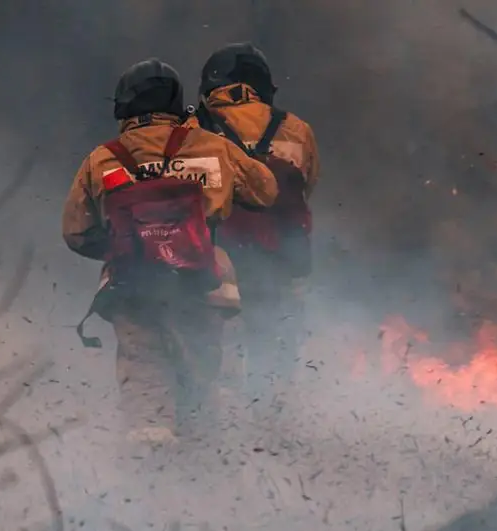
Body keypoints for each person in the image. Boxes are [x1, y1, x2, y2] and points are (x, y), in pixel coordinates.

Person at [61, 58, 278, 445]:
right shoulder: (213, 146)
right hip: (205, 282)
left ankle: (153, 465)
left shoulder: (101, 159)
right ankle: (213, 461)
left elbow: (75, 232)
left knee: (145, 377)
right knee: (207, 379)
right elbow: (265, 192)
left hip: (132, 286)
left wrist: (130, 245)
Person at [194, 43, 320, 407]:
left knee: (214, 352)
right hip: (277, 259)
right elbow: (306, 186)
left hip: (212, 261)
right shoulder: (296, 130)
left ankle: (214, 424)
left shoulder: (191, 130)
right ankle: (269, 425)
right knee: (274, 353)